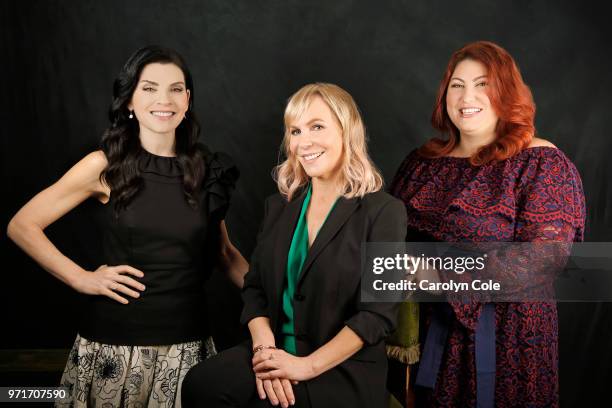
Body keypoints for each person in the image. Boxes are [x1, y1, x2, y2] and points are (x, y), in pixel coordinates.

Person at [6, 45, 246, 407]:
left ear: (187, 100)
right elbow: (22, 225)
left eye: (175, 89)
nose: (163, 99)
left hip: (188, 349)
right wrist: (81, 278)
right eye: (149, 88)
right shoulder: (103, 166)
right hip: (115, 351)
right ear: (130, 100)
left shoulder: (207, 170)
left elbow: (226, 255)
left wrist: (281, 304)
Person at [181, 83, 406, 408]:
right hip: (277, 349)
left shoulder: (384, 211)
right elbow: (255, 287)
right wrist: (265, 351)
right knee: (202, 384)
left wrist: (304, 366)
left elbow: (377, 315)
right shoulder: (279, 207)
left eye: (317, 126)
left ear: (347, 130)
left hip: (341, 369)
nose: (304, 142)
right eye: (295, 131)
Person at [389, 41, 586, 407]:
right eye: (457, 84)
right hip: (428, 331)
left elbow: (543, 259)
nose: (468, 96)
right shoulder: (421, 163)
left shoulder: (539, 162)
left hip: (507, 338)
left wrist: (441, 276)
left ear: (506, 93)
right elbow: (384, 237)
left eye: (483, 84)